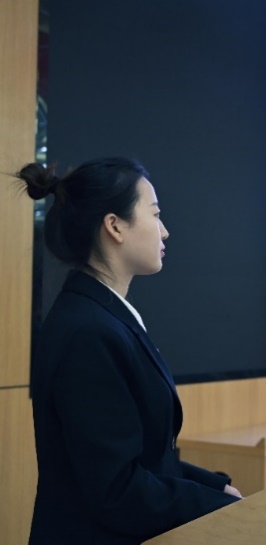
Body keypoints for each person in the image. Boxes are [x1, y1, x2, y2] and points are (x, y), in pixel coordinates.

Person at [17, 158, 242, 545]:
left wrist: (213, 487)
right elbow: (117, 490)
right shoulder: (87, 331)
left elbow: (145, 458)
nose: (165, 231)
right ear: (115, 226)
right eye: (155, 214)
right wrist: (214, 505)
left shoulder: (102, 316)